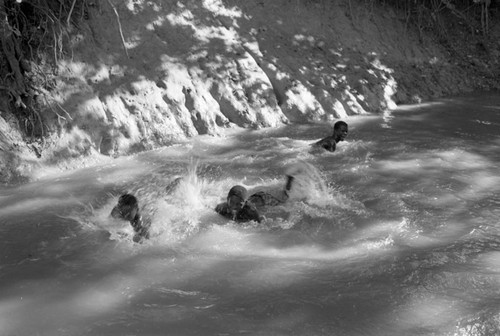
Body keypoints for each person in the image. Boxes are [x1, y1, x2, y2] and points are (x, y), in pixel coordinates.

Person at [215, 175, 295, 223]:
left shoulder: (250, 210)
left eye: (239, 204)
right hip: (254, 198)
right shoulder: (221, 207)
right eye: (231, 202)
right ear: (227, 199)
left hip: (263, 198)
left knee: (284, 201)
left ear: (244, 203)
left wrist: (262, 220)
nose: (234, 206)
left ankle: (289, 183)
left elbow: (259, 223)